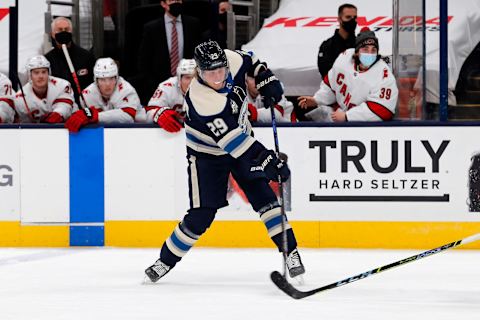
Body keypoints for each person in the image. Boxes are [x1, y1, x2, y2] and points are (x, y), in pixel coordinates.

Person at [144, 40, 305, 283]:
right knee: (201, 215)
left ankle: (290, 252)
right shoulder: (201, 99)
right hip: (207, 155)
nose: (218, 76)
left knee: (266, 198)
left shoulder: (231, 59)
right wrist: (266, 159)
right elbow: (233, 143)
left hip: (241, 139)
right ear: (199, 71)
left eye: (221, 69)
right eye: (211, 72)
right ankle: (164, 261)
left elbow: (253, 63)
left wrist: (266, 78)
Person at [298, 28, 398, 122]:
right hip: (340, 118)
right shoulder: (344, 59)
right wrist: (317, 100)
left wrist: (348, 116)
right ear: (357, 51)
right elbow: (331, 85)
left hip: (369, 129)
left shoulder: (383, 75)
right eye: (365, 49)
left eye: (373, 50)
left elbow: (383, 110)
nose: (370, 53)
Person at [137, 0, 202, 103]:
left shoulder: (193, 24)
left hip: (189, 85)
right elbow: (144, 61)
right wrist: (153, 86)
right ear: (163, 4)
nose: (176, 2)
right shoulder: (151, 28)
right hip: (158, 86)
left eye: (178, 0)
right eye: (172, 0)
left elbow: (199, 55)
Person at [65, 58, 142, 132]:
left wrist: (94, 115)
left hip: (135, 134)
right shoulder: (87, 96)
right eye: (102, 80)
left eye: (111, 78)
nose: (107, 84)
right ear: (96, 80)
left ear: (117, 78)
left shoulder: (127, 90)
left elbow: (127, 118)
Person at [45, 17, 96, 107]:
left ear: (71, 32)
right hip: (58, 108)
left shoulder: (86, 56)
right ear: (53, 34)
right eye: (60, 30)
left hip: (83, 107)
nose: (64, 32)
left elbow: (95, 84)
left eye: (67, 29)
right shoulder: (47, 60)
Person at [15, 56, 77, 123]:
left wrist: (57, 115)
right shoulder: (20, 98)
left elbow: (64, 107)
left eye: (44, 72)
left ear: (49, 73)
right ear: (30, 75)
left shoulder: (63, 85)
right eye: (36, 72)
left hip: (68, 128)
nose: (41, 76)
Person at [144, 59, 196, 132]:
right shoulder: (166, 87)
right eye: (187, 77)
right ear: (179, 79)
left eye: (195, 78)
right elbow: (148, 114)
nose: (191, 82)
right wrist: (159, 114)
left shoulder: (209, 89)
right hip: (170, 136)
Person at [317, 3, 357, 77]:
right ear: (339, 19)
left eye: (354, 17)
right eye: (348, 17)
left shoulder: (360, 44)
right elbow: (325, 73)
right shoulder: (327, 45)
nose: (352, 21)